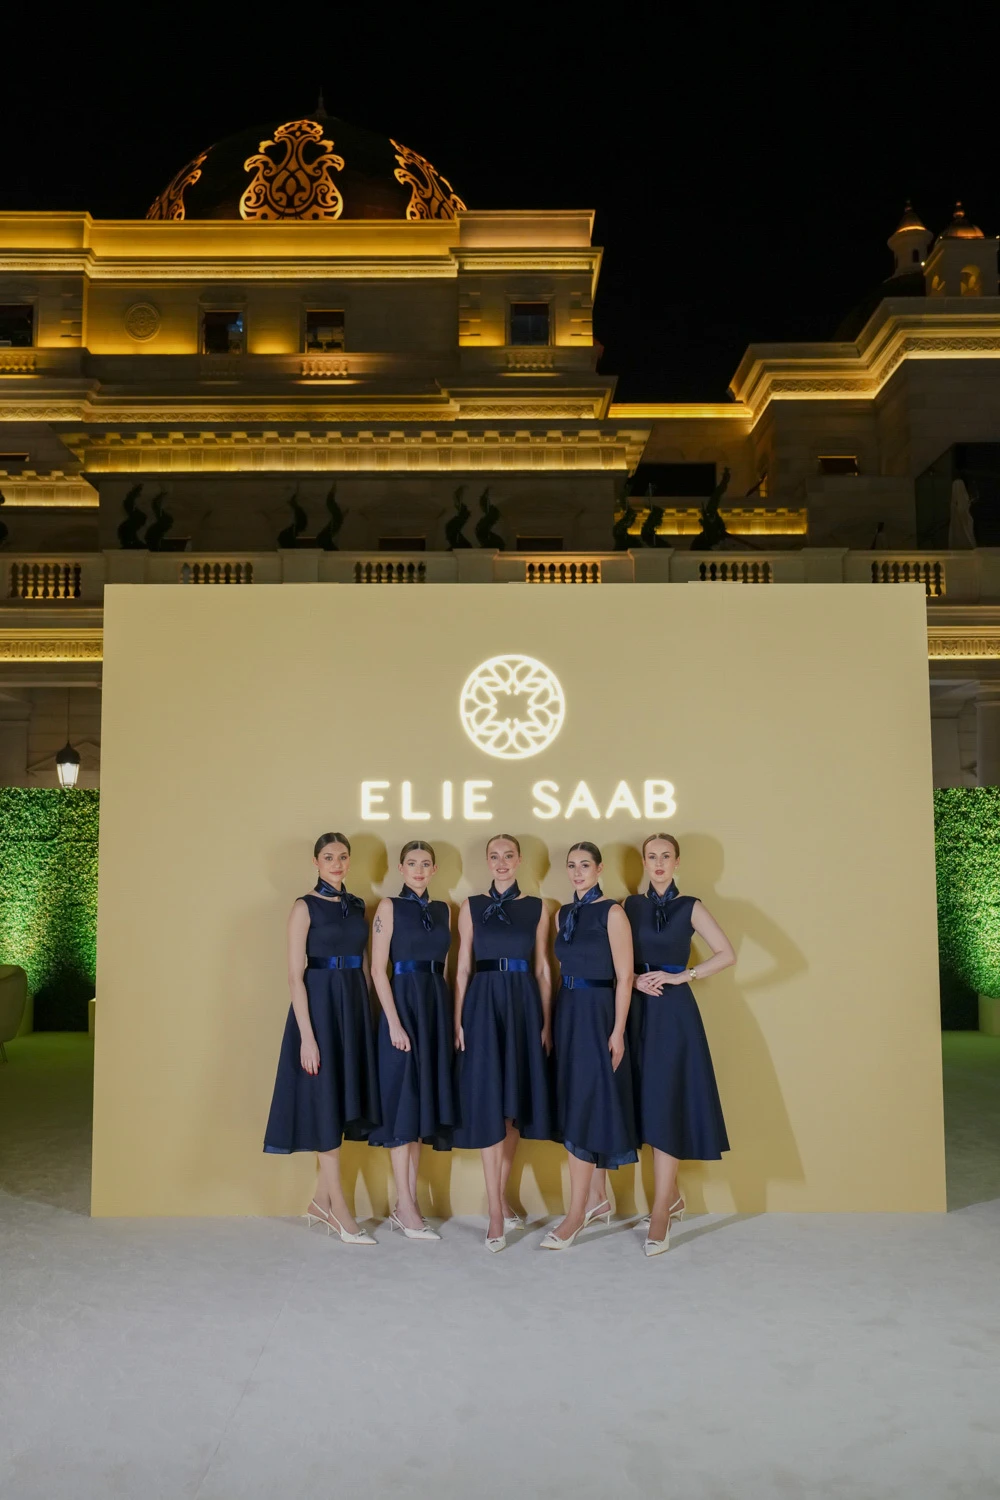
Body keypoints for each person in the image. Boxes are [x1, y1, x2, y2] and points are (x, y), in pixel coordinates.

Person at [263, 832, 379, 1245]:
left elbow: (365, 967)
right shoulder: (303, 907)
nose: (337, 863)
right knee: (325, 1105)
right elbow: (295, 976)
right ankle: (339, 1210)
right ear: (316, 862)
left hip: (353, 1011)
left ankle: (318, 1202)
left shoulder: (358, 906)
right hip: (319, 1013)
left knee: (341, 1104)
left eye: (343, 856)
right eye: (329, 857)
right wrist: (307, 1038)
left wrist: (368, 1019)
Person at [624, 833, 734, 1256]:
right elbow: (617, 956)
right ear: (644, 862)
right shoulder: (629, 906)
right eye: (652, 856)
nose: (658, 863)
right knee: (644, 1101)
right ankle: (670, 1199)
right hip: (636, 1008)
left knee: (667, 1101)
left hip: (674, 1013)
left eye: (665, 856)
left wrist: (681, 976)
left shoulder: (691, 906)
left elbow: (726, 954)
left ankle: (659, 1213)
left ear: (677, 861)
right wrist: (634, 979)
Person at [454, 834, 553, 1252]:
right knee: (490, 1103)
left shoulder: (539, 907)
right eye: (494, 856)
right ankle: (495, 1211)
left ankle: (501, 1195)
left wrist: (546, 1023)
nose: (501, 862)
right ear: (487, 861)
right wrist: (459, 1020)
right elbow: (462, 968)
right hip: (482, 1006)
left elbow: (543, 969)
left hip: (523, 1006)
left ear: (519, 860)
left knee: (513, 1109)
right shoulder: (470, 906)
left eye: (508, 856)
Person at [544, 841, 637, 1250]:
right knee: (576, 1101)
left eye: (585, 865)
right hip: (568, 1011)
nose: (578, 871)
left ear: (599, 869)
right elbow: (559, 969)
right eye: (572, 865)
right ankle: (598, 1199)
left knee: (585, 1104)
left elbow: (625, 976)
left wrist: (617, 1031)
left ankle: (576, 1213)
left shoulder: (612, 912)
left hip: (598, 1013)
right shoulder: (563, 914)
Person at [369, 840, 455, 1240]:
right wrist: (393, 1023)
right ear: (400, 869)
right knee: (402, 1106)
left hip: (434, 1008)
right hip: (402, 1007)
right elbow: (377, 970)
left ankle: (409, 1204)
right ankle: (404, 1206)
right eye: (411, 863)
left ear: (433, 870)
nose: (418, 870)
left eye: (425, 864)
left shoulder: (444, 911)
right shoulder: (388, 907)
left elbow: (446, 968)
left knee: (420, 1108)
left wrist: (447, 1021)